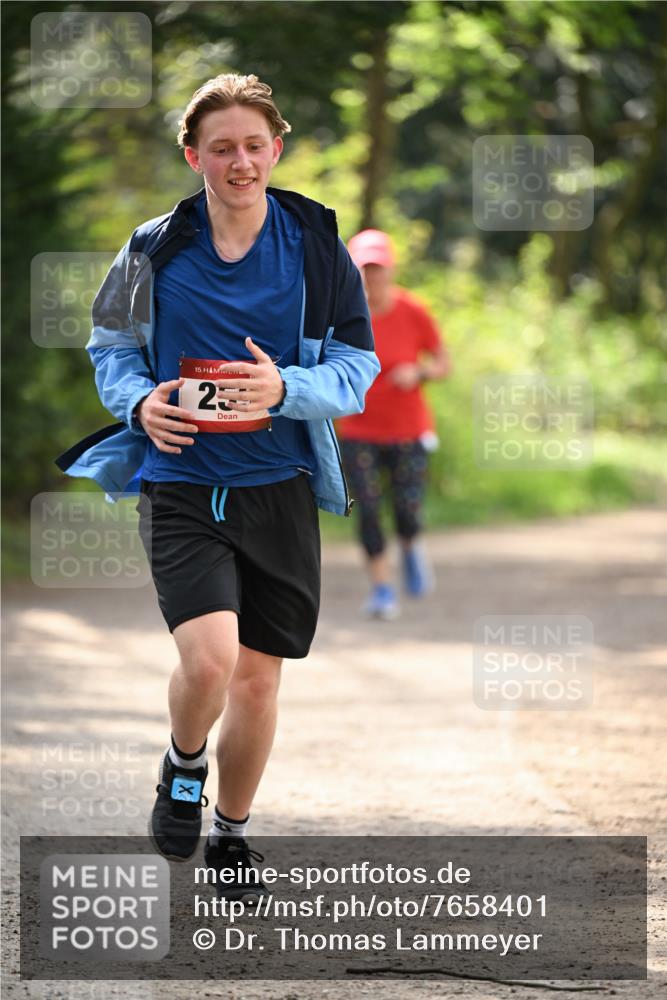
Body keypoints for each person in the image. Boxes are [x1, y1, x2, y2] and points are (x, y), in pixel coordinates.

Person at [55, 73, 379, 895]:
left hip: (279, 485)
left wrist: (285, 389)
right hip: (181, 483)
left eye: (254, 146)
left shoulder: (315, 246)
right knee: (209, 665)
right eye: (222, 148)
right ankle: (183, 763)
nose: (240, 162)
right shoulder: (154, 246)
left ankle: (232, 838)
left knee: (258, 680)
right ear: (193, 155)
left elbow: (357, 364)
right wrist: (139, 402)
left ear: (277, 149)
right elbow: (110, 344)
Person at [338, 229, 450, 620]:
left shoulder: (413, 310)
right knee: (368, 510)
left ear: (391, 270)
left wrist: (418, 372)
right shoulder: (342, 315)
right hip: (358, 430)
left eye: (378, 268)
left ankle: (411, 545)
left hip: (408, 430)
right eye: (364, 268)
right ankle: (382, 589)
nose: (372, 276)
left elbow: (443, 363)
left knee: (406, 510)